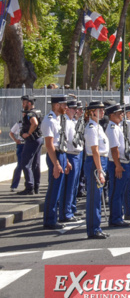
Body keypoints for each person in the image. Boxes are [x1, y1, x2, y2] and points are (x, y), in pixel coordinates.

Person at [42, 95, 72, 230]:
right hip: (55, 156)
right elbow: (49, 145)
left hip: (61, 154)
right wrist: (56, 164)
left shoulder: (58, 119)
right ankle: (49, 220)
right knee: (54, 189)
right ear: (56, 105)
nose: (66, 107)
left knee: (58, 188)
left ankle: (52, 218)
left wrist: (65, 160)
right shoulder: (49, 121)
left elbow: (62, 141)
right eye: (64, 105)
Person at [83, 101, 110, 239]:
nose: (102, 112)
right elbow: (95, 151)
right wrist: (99, 170)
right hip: (95, 163)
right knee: (94, 198)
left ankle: (96, 226)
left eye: (103, 110)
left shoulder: (97, 126)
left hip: (100, 161)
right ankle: (93, 229)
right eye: (99, 110)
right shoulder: (91, 128)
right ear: (92, 112)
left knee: (98, 196)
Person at [17, 95, 43, 195]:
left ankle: (29, 187)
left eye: (24, 103)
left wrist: (28, 133)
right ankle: (36, 186)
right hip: (38, 139)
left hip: (32, 140)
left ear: (29, 103)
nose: (23, 105)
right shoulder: (37, 111)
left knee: (25, 163)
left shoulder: (30, 114)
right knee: (36, 164)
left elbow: (35, 123)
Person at [8, 113, 24, 192]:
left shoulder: (33, 122)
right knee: (20, 165)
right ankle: (14, 185)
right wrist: (15, 140)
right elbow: (11, 133)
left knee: (31, 166)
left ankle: (31, 186)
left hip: (29, 144)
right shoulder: (19, 124)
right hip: (21, 144)